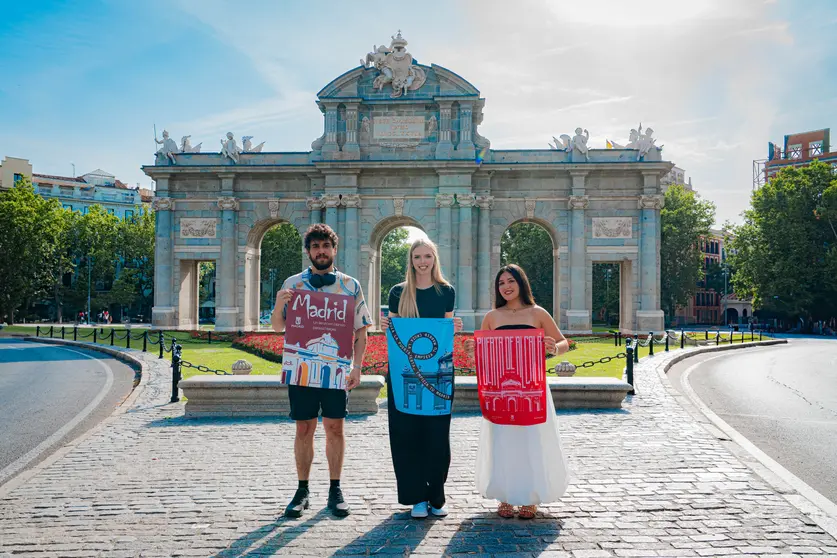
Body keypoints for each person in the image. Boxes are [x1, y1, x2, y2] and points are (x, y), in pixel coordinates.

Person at [271, 223, 372, 519]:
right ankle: (302, 490)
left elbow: (362, 330)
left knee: (335, 428)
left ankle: (335, 489)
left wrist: (357, 367)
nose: (321, 251)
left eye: (326, 246)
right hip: (302, 371)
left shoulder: (351, 285)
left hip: (336, 370)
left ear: (334, 249)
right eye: (315, 246)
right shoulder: (292, 284)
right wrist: (278, 304)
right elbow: (278, 328)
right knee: (303, 428)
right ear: (308, 252)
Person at [464, 264, 571, 519]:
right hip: (500, 388)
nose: (506, 286)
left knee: (531, 441)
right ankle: (504, 496)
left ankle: (530, 497)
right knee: (502, 442)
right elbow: (483, 355)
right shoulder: (492, 317)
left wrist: (555, 348)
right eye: (501, 283)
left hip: (532, 386)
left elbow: (563, 342)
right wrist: (472, 350)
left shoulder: (538, 313)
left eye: (511, 281)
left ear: (521, 283)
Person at [380, 239, 462, 519]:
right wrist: (385, 325)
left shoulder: (446, 292)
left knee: (437, 437)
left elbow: (446, 333)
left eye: (427, 256)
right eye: (417, 257)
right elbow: (392, 333)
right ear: (411, 260)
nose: (422, 262)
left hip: (439, 375)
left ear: (434, 258)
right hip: (403, 373)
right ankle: (416, 497)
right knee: (406, 436)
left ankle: (436, 496)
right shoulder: (398, 292)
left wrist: (454, 327)